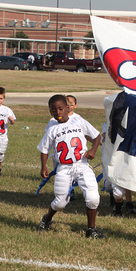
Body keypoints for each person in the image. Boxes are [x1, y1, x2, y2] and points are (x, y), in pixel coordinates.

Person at [37, 94, 104, 239]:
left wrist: (93, 150)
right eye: (54, 110)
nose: (58, 112)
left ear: (67, 108)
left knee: (93, 198)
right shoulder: (51, 129)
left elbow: (96, 136)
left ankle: (91, 229)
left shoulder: (78, 121)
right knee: (60, 203)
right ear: (50, 112)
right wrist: (44, 166)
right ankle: (47, 218)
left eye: (60, 109)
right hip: (64, 168)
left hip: (82, 165)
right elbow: (44, 149)